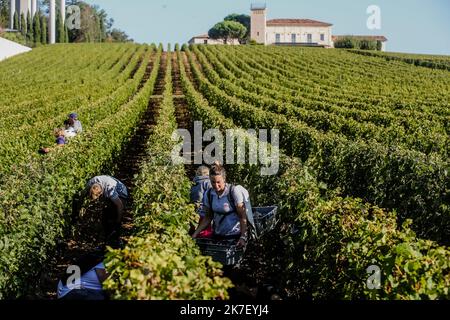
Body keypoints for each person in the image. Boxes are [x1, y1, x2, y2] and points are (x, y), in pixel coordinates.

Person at [192, 162, 257, 248]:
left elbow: (242, 216)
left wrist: (243, 237)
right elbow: (208, 217)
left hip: (234, 236)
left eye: (218, 182)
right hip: (218, 235)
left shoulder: (233, 192)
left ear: (224, 179)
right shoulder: (209, 194)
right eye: (213, 182)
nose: (216, 185)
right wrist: (195, 234)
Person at [82, 176, 128, 244]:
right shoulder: (90, 183)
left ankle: (117, 240)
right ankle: (106, 239)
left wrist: (118, 221)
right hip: (109, 191)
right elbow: (82, 195)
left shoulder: (110, 190)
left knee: (112, 216)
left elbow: (120, 205)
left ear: (101, 193)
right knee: (105, 216)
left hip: (121, 193)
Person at [190, 166, 213, 238]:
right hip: (204, 210)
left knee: (195, 229)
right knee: (205, 231)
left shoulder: (193, 183)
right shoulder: (207, 182)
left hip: (194, 210)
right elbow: (212, 194)